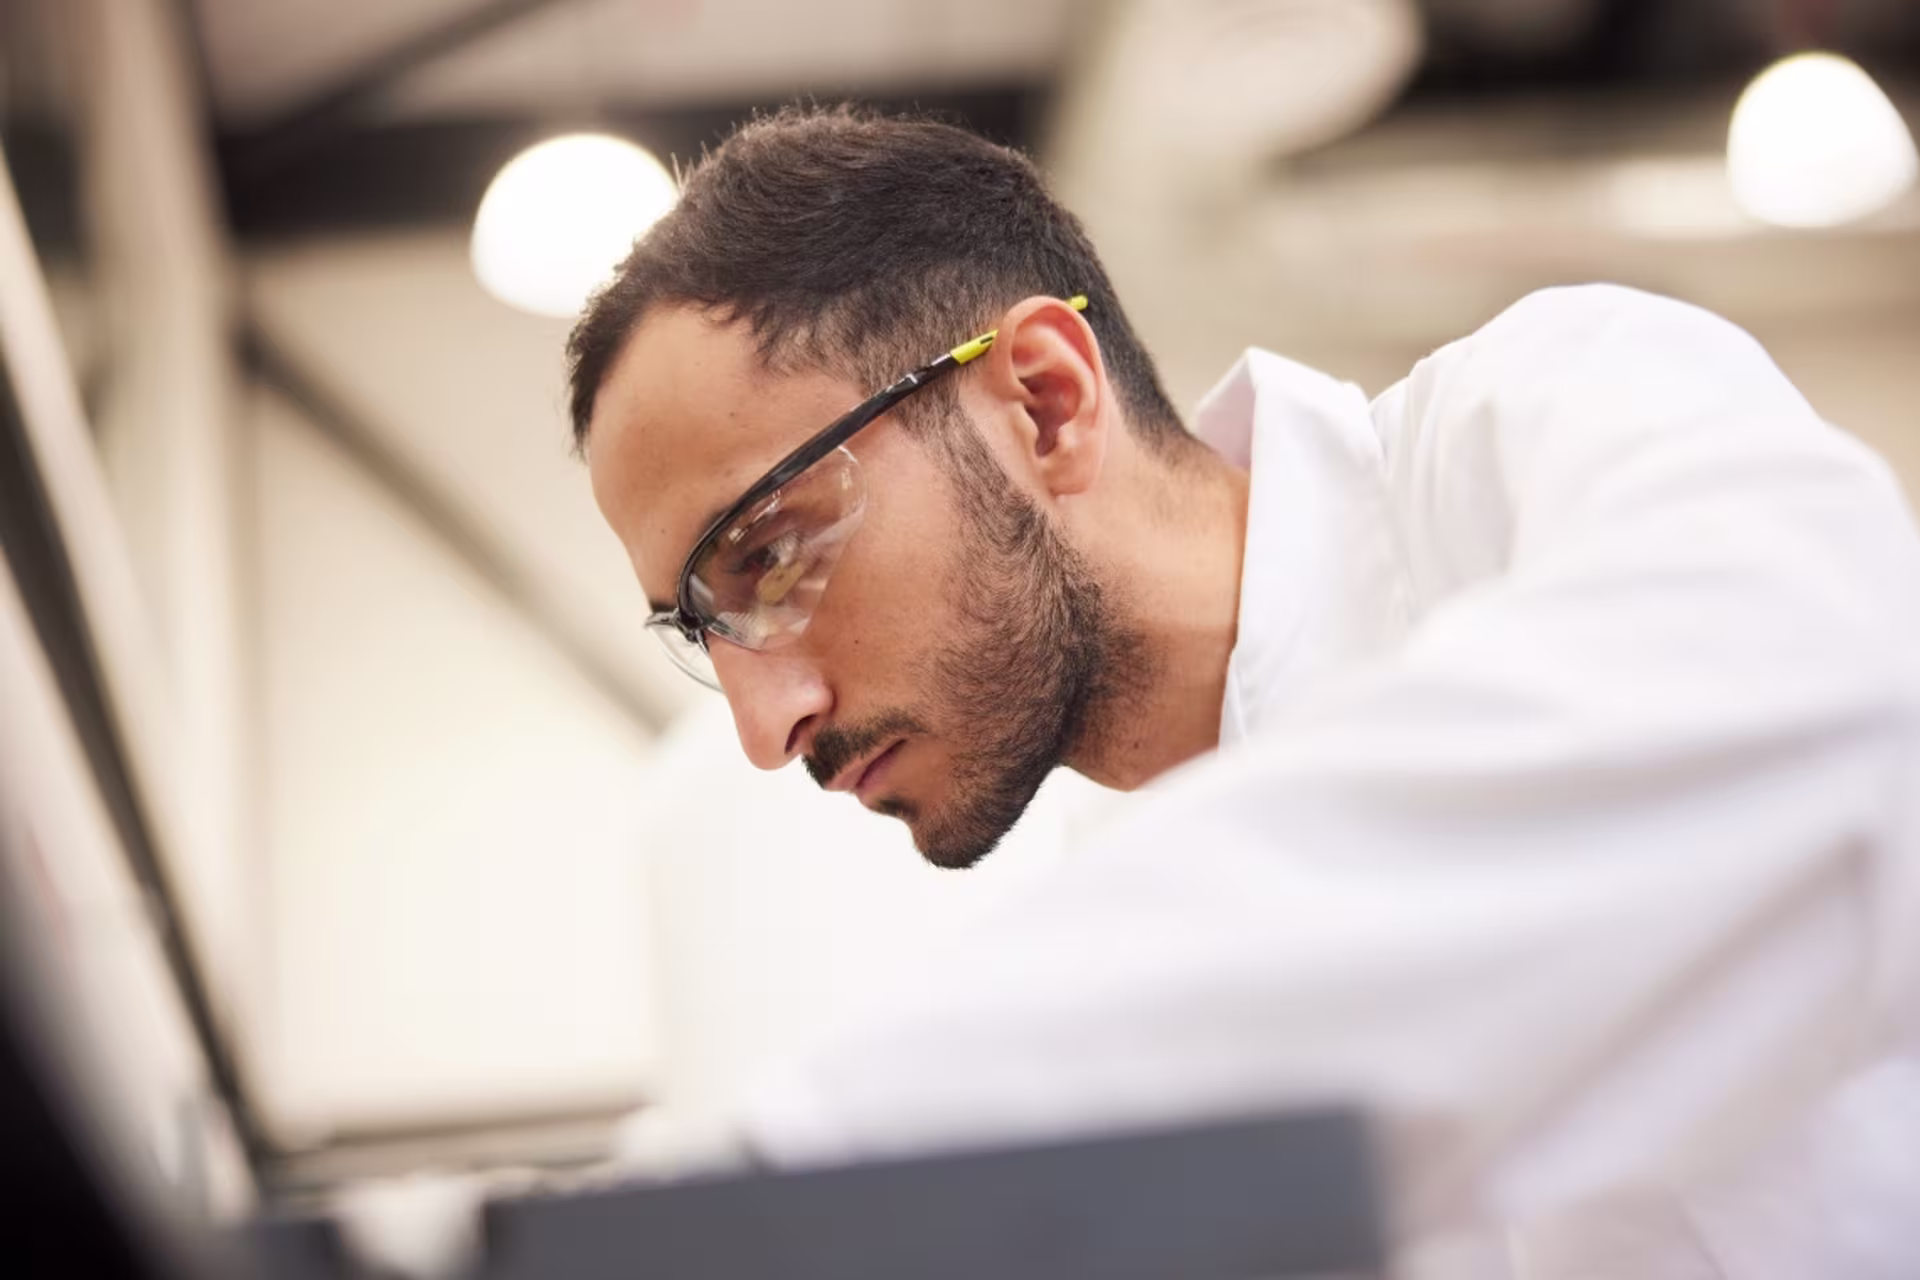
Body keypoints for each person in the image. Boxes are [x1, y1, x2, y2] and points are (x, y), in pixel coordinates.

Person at [567, 106, 1920, 1277]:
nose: (763, 728)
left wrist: (817, 1184)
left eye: (772, 555)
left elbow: (1831, 681)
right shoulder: (1130, 919)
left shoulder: (1538, 433)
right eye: (703, 626)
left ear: (1041, 400)